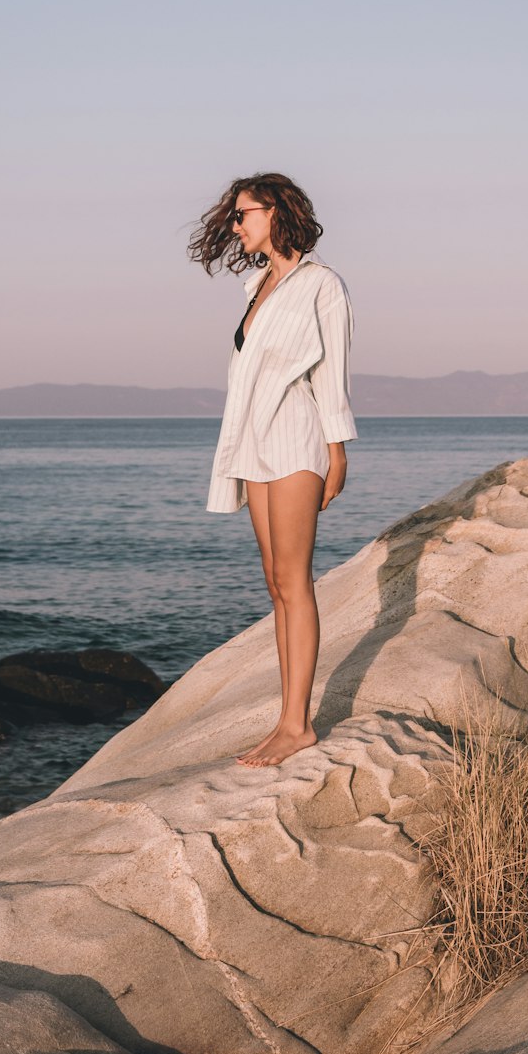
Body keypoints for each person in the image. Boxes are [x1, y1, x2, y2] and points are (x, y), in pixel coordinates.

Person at [187, 172, 357, 767]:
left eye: (243, 215)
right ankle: (288, 718)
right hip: (256, 444)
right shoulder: (257, 286)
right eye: (233, 217)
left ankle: (296, 725)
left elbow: (331, 375)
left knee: (295, 580)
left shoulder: (321, 284)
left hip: (296, 442)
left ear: (276, 212)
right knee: (275, 584)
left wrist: (337, 452)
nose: (236, 226)